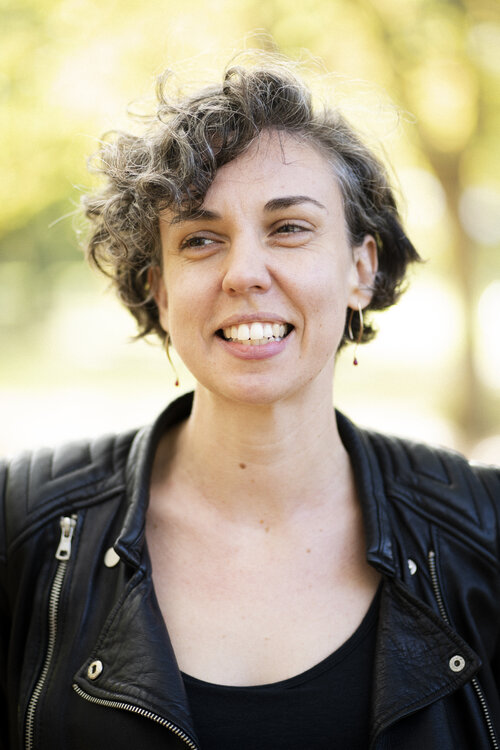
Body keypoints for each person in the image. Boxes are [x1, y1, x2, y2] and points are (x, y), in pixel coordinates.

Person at [1, 57, 499, 750]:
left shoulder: (486, 530)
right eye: (200, 240)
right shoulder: (23, 524)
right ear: (162, 292)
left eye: (289, 227)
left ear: (360, 269)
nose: (243, 274)